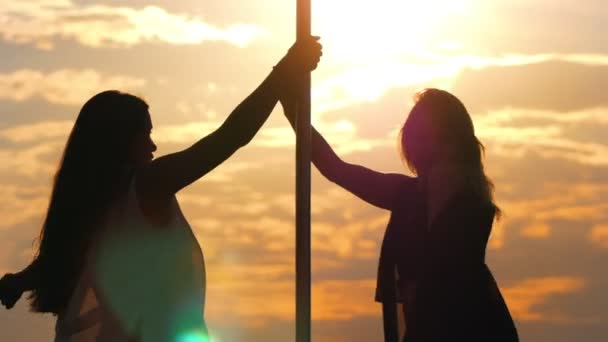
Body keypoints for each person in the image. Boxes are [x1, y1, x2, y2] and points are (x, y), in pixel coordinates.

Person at [0, 36, 322, 342]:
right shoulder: (146, 187)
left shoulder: (87, 207)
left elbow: (54, 261)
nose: (154, 145)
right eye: (147, 134)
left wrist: (19, 281)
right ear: (122, 140)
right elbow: (228, 138)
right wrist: (283, 72)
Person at [279, 88, 519, 341]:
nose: (420, 145)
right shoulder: (407, 195)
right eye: (417, 137)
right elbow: (335, 168)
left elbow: (448, 284)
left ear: (453, 142)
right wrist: (293, 110)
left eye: (429, 136)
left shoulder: (473, 208)